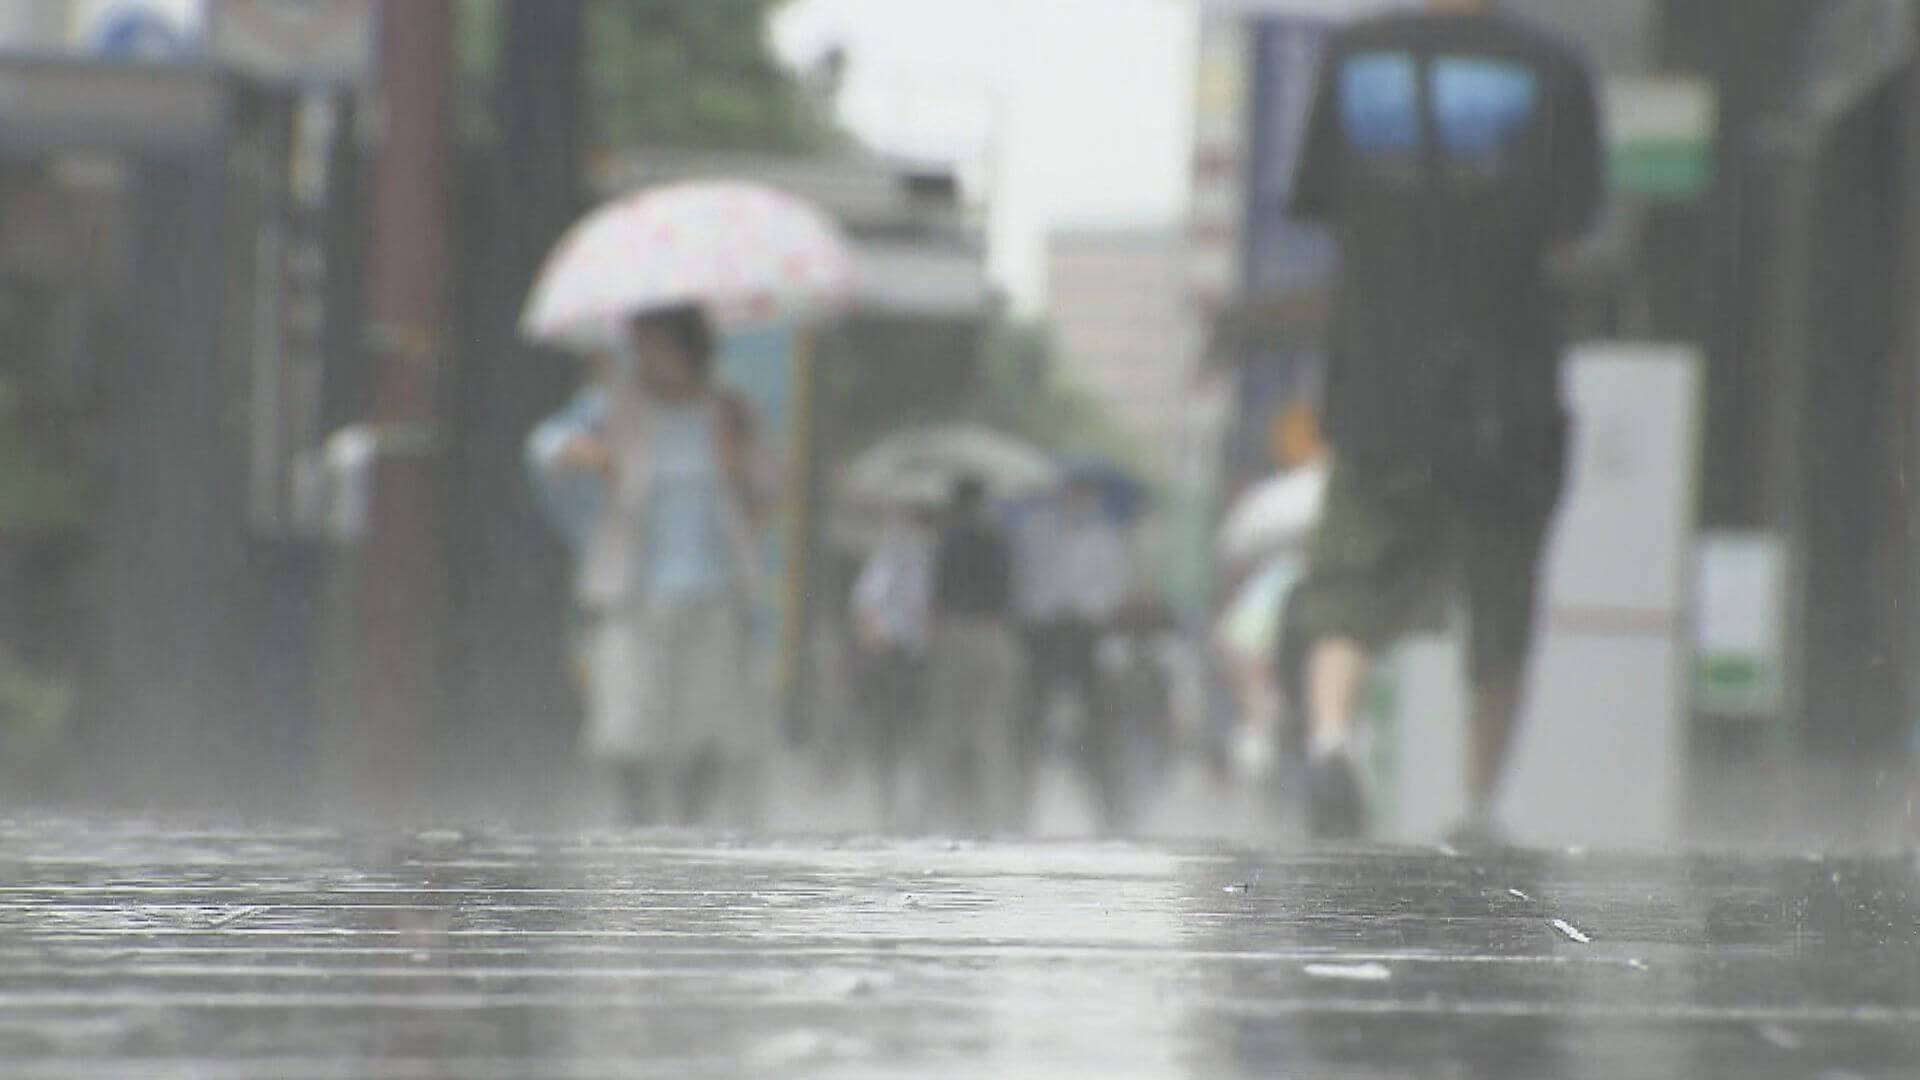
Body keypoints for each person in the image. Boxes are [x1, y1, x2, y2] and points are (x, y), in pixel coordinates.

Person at [1276, 0, 1603, 842]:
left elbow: (1317, 203)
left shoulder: (1354, 58)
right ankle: (1478, 805)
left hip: (1380, 373)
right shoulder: (1554, 68)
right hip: (1505, 385)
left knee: (1347, 576)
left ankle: (1331, 738)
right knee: (1500, 602)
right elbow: (1573, 226)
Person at [528, 303, 769, 827]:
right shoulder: (614, 408)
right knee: (626, 723)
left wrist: (740, 458)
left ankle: (687, 820)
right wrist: (582, 454)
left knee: (710, 724)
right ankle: (637, 817)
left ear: (686, 349)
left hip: (715, 589)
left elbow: (763, 496)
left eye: (654, 346)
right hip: (634, 589)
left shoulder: (727, 410)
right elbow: (545, 446)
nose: (644, 359)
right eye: (638, 347)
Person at [922, 475, 1024, 833]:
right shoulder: (1000, 541)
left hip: (954, 634)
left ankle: (936, 805)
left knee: (946, 725)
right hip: (992, 636)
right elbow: (1011, 593)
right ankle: (993, 811)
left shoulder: (948, 542)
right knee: (989, 728)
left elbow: (936, 594)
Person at [848, 502, 936, 828]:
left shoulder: (927, 558)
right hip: (895, 653)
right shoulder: (891, 557)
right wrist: (876, 637)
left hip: (919, 655)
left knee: (914, 730)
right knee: (891, 730)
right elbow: (864, 601)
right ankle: (888, 799)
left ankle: (913, 802)